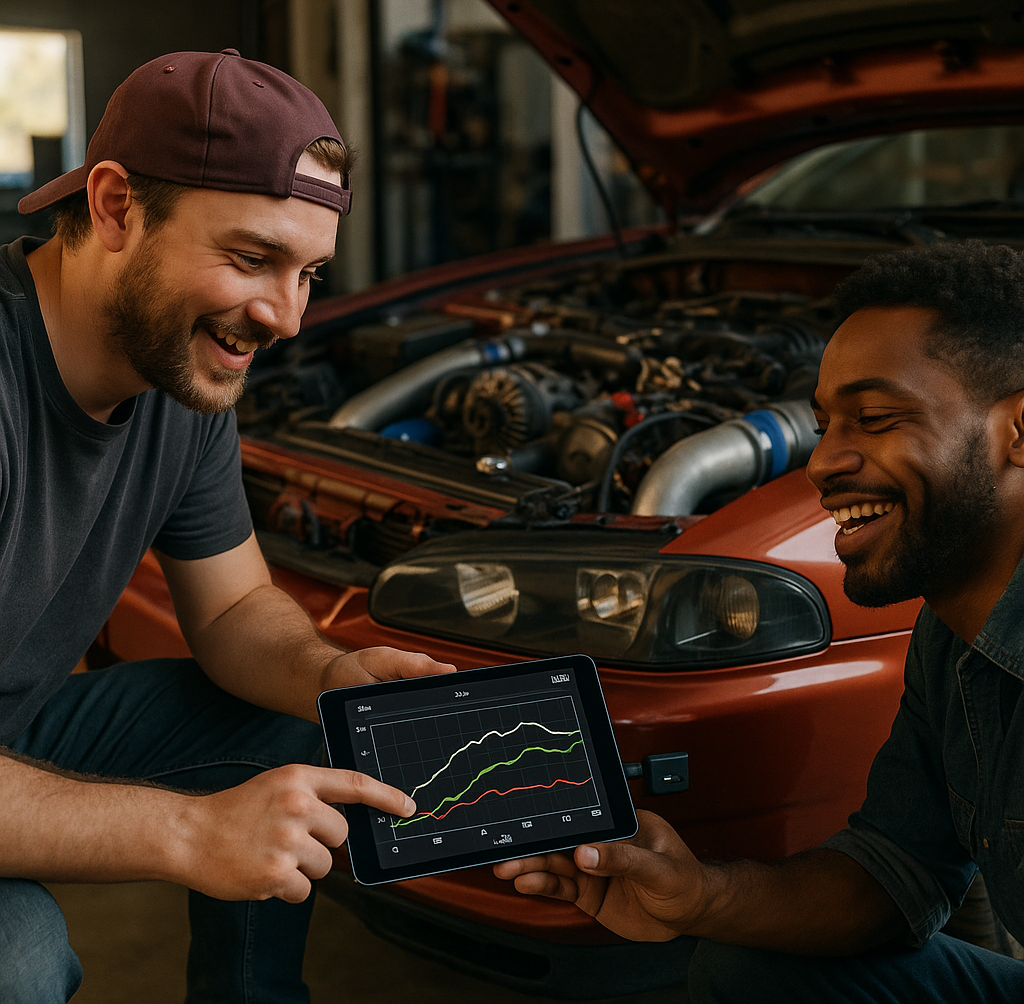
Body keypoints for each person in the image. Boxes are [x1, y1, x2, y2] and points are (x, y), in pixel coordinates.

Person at [0, 48, 453, 1004]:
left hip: (19, 727)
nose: (286, 317)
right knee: (20, 954)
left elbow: (237, 604)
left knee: (291, 727)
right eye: (252, 257)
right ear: (116, 206)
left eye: (310, 273)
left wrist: (332, 673)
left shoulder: (180, 374)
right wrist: (193, 833)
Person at [494, 239, 1024, 1001]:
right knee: (749, 965)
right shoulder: (950, 634)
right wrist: (696, 894)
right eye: (824, 425)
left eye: (874, 419)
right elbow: (893, 873)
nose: (822, 464)